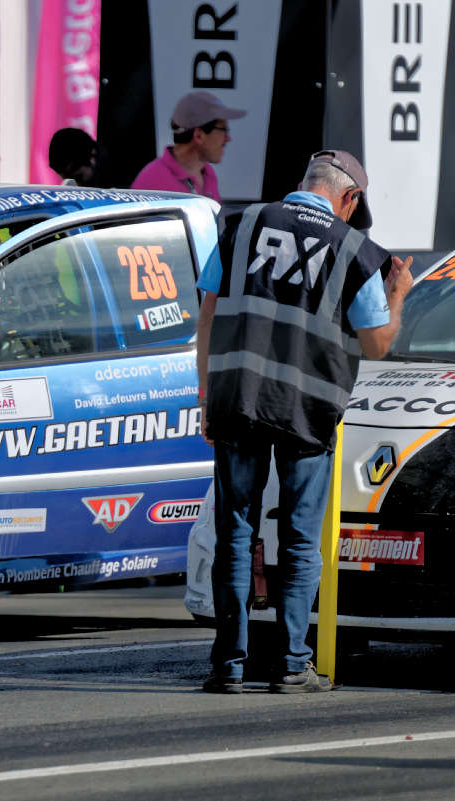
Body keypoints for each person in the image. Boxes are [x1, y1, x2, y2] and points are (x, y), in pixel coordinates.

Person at [196, 149, 413, 693]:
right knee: (298, 538)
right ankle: (293, 666)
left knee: (235, 532)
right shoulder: (356, 251)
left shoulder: (241, 224)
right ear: (349, 198)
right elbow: (376, 344)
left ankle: (228, 666)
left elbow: (208, 311)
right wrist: (398, 296)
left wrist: (208, 397)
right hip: (307, 411)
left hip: (239, 400)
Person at [131, 90, 245, 201]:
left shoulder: (208, 173)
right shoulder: (150, 183)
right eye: (223, 130)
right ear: (199, 135)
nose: (228, 138)